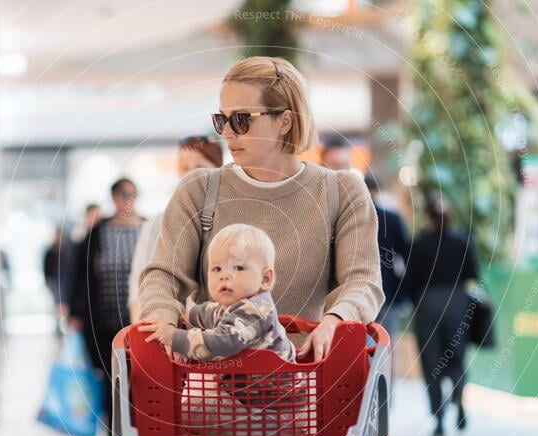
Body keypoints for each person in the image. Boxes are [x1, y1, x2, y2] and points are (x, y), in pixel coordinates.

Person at [138, 56, 385, 364]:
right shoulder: (199, 191)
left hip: (305, 382)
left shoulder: (341, 193)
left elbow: (363, 281)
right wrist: (163, 324)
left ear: (285, 121)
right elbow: (163, 275)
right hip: (211, 385)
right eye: (221, 120)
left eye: (241, 119)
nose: (227, 133)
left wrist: (336, 320)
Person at [140, 223, 294, 362]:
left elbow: (220, 343)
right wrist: (186, 316)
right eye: (217, 269)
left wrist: (174, 337)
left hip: (276, 390)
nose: (224, 275)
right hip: (246, 388)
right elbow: (209, 312)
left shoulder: (255, 311)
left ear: (265, 279)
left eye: (238, 268)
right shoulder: (232, 306)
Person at [69, 178, 144, 436]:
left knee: (140, 383)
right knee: (111, 382)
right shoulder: (99, 232)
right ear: (113, 197)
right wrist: (74, 312)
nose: (128, 200)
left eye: (133, 194)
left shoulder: (148, 228)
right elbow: (80, 274)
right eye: (123, 194)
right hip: (103, 321)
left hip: (139, 323)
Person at [404, 196, 478, 436]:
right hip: (457, 302)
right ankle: (459, 399)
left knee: (431, 362)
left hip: (427, 305)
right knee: (457, 356)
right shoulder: (462, 242)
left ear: (428, 217)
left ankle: (438, 418)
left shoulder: (419, 245)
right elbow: (473, 274)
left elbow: (409, 282)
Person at [128, 135, 223, 323]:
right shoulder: (158, 224)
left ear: (219, 170)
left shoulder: (229, 221)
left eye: (198, 167)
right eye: (184, 168)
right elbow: (138, 291)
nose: (190, 176)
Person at [365, 173, 410, 346]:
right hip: (389, 289)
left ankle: (364, 373)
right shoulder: (393, 219)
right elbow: (404, 255)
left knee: (362, 345)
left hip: (362, 290)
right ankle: (385, 374)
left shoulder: (354, 218)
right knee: (387, 343)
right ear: (378, 191)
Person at [43, 227, 74, 333]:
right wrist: (47, 280)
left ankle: (65, 324)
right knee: (57, 303)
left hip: (64, 281)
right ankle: (58, 326)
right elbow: (46, 267)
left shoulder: (67, 250)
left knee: (64, 302)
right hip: (54, 282)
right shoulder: (49, 251)